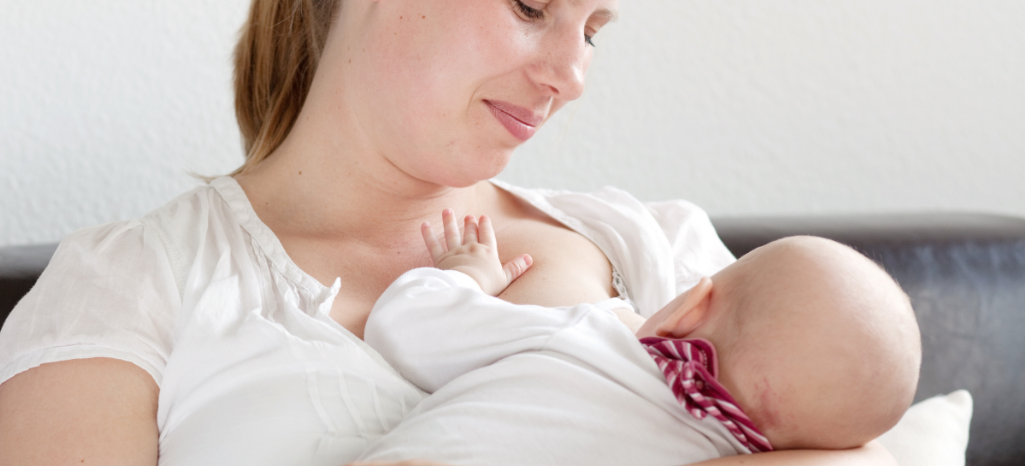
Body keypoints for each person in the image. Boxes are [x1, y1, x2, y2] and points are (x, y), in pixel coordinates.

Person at [0, 0, 901, 465]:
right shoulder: (133, 289)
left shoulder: (661, 256)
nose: (571, 76)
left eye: (592, 30)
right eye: (532, 3)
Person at [353, 212, 922, 465]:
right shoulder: (728, 453)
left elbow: (405, 329)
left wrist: (468, 275)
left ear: (690, 304)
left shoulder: (591, 336)